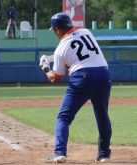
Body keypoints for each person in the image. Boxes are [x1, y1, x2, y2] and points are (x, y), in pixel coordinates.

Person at [40, 12, 112, 163]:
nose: (55, 32)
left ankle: (60, 152)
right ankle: (104, 154)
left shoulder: (60, 50)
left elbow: (56, 78)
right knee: (102, 114)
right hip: (104, 74)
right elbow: (83, 53)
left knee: (64, 117)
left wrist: (45, 67)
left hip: (83, 78)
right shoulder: (86, 31)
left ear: (58, 29)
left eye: (54, 29)